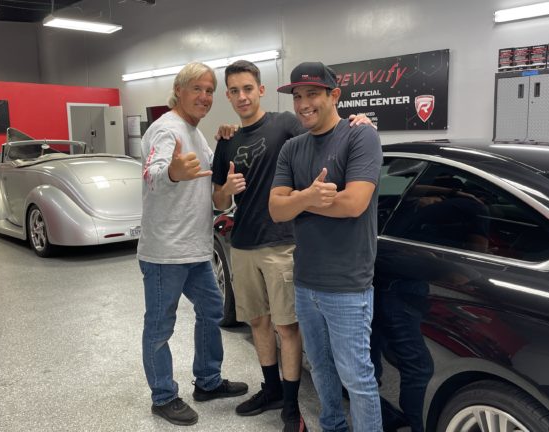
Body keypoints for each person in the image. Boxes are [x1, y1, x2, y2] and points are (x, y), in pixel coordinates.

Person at [212, 60, 374, 432]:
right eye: (234, 91)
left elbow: (350, 196)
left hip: (287, 249)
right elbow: (228, 201)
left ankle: (290, 408)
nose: (242, 96)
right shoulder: (228, 139)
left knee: (294, 333)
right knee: (260, 324)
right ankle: (273, 392)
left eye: (247, 88)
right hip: (247, 244)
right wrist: (227, 192)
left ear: (261, 90)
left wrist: (357, 120)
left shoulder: (287, 124)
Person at [269, 61, 383, 432]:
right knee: (319, 368)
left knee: (357, 378)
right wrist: (310, 196)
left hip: (348, 284)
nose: (303, 104)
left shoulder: (359, 136)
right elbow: (275, 210)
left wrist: (298, 202)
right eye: (297, 96)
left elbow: (354, 204)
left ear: (334, 95)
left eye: (312, 94)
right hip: (306, 282)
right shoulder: (291, 149)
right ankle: (334, 427)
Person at [137, 62, 248, 427]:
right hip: (165, 252)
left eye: (210, 90)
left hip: (196, 249)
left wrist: (225, 192)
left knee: (212, 309)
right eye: (197, 88)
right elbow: (153, 173)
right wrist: (172, 172)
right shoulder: (166, 130)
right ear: (179, 90)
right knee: (159, 326)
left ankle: (208, 380)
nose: (204, 96)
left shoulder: (197, 135)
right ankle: (164, 397)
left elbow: (214, 199)